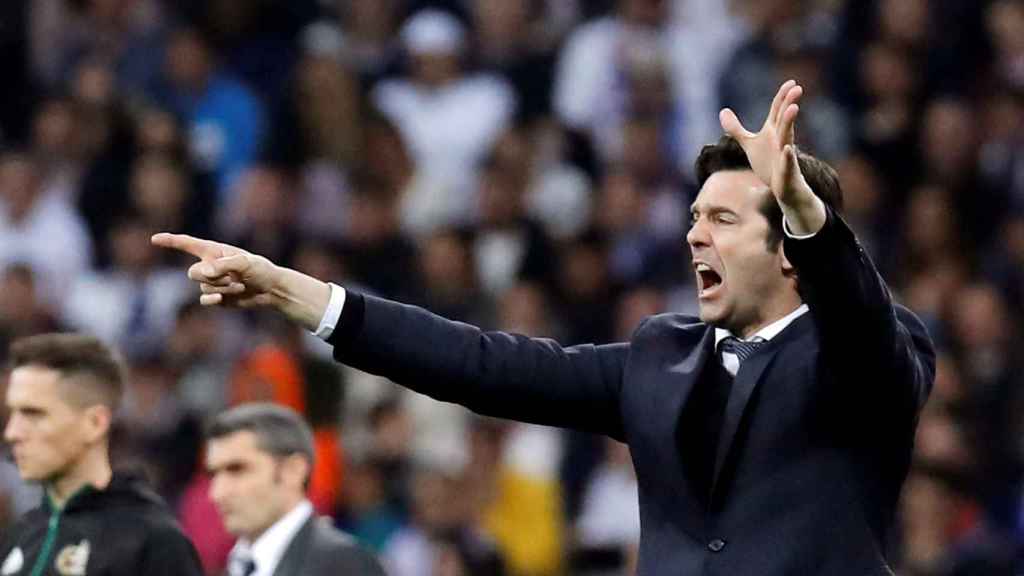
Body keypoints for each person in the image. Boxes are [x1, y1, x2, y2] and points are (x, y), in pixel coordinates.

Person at [154, 81, 936, 574]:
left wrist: (808, 214)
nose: (695, 235)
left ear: (791, 253)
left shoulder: (866, 355)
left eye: (723, 219)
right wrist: (296, 292)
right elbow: (480, 363)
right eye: (694, 217)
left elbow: (862, 325)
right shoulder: (660, 356)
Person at [1, 333, 203, 576]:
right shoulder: (20, 536)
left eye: (33, 414)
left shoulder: (153, 543)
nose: (12, 433)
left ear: (95, 423)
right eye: (12, 413)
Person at [205, 403, 385, 576]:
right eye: (213, 474)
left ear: (293, 471)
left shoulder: (344, 564)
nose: (217, 493)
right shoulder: (235, 565)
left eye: (237, 469)